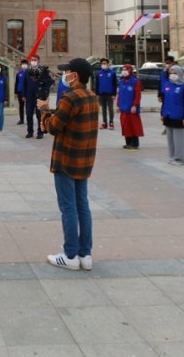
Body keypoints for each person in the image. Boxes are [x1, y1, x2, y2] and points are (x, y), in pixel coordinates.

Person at [38, 57, 98, 271]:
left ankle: (70, 254)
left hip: (66, 159)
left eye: (68, 72)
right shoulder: (92, 97)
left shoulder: (70, 97)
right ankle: (85, 253)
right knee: (83, 206)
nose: (65, 75)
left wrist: (45, 110)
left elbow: (53, 127)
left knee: (68, 208)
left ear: (76, 75)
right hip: (84, 160)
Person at [160, 65, 184, 165]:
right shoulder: (168, 85)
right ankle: (172, 156)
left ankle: (181, 159)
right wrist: (162, 113)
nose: (172, 75)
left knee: (179, 140)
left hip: (179, 115)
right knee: (170, 139)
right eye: (171, 73)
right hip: (168, 114)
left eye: (175, 73)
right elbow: (164, 101)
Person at [23, 55, 52, 139]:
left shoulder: (43, 71)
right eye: (32, 60)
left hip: (39, 96)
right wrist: (24, 95)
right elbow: (24, 84)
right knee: (28, 114)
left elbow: (48, 83)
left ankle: (40, 132)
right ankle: (30, 132)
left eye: (35, 60)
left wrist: (45, 94)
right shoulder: (27, 71)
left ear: (38, 61)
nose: (33, 61)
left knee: (39, 115)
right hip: (29, 96)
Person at [117, 63, 144, 150]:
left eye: (126, 69)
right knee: (125, 125)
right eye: (123, 69)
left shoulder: (135, 81)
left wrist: (135, 105)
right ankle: (128, 142)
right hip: (123, 108)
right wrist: (118, 105)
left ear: (130, 70)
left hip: (132, 108)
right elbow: (119, 94)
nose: (124, 71)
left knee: (133, 126)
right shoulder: (121, 81)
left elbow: (137, 95)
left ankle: (134, 143)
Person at [93, 58, 117, 130]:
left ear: (108, 64)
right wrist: (97, 94)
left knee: (110, 109)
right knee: (103, 109)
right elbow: (97, 84)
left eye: (105, 63)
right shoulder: (98, 73)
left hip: (110, 94)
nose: (103, 65)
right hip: (101, 94)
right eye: (102, 63)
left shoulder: (112, 73)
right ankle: (104, 123)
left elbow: (115, 84)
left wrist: (114, 94)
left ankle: (111, 123)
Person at [15, 59, 28, 125]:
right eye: (23, 64)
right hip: (20, 91)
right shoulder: (19, 73)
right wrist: (16, 92)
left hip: (27, 91)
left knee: (28, 106)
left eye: (25, 64)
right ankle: (21, 119)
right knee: (21, 106)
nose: (24, 65)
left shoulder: (29, 72)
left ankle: (29, 119)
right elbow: (17, 82)